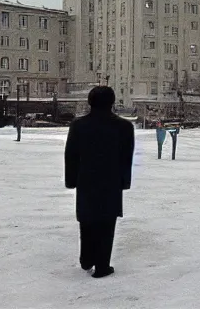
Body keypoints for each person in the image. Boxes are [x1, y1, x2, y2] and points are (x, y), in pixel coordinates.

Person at [64, 86, 135, 279]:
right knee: (106, 223)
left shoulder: (78, 125)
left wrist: (71, 180)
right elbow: (126, 158)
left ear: (89, 101)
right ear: (112, 102)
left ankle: (86, 259)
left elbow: (71, 156)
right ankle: (102, 265)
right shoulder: (124, 127)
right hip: (111, 182)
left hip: (86, 180)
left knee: (86, 221)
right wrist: (124, 182)